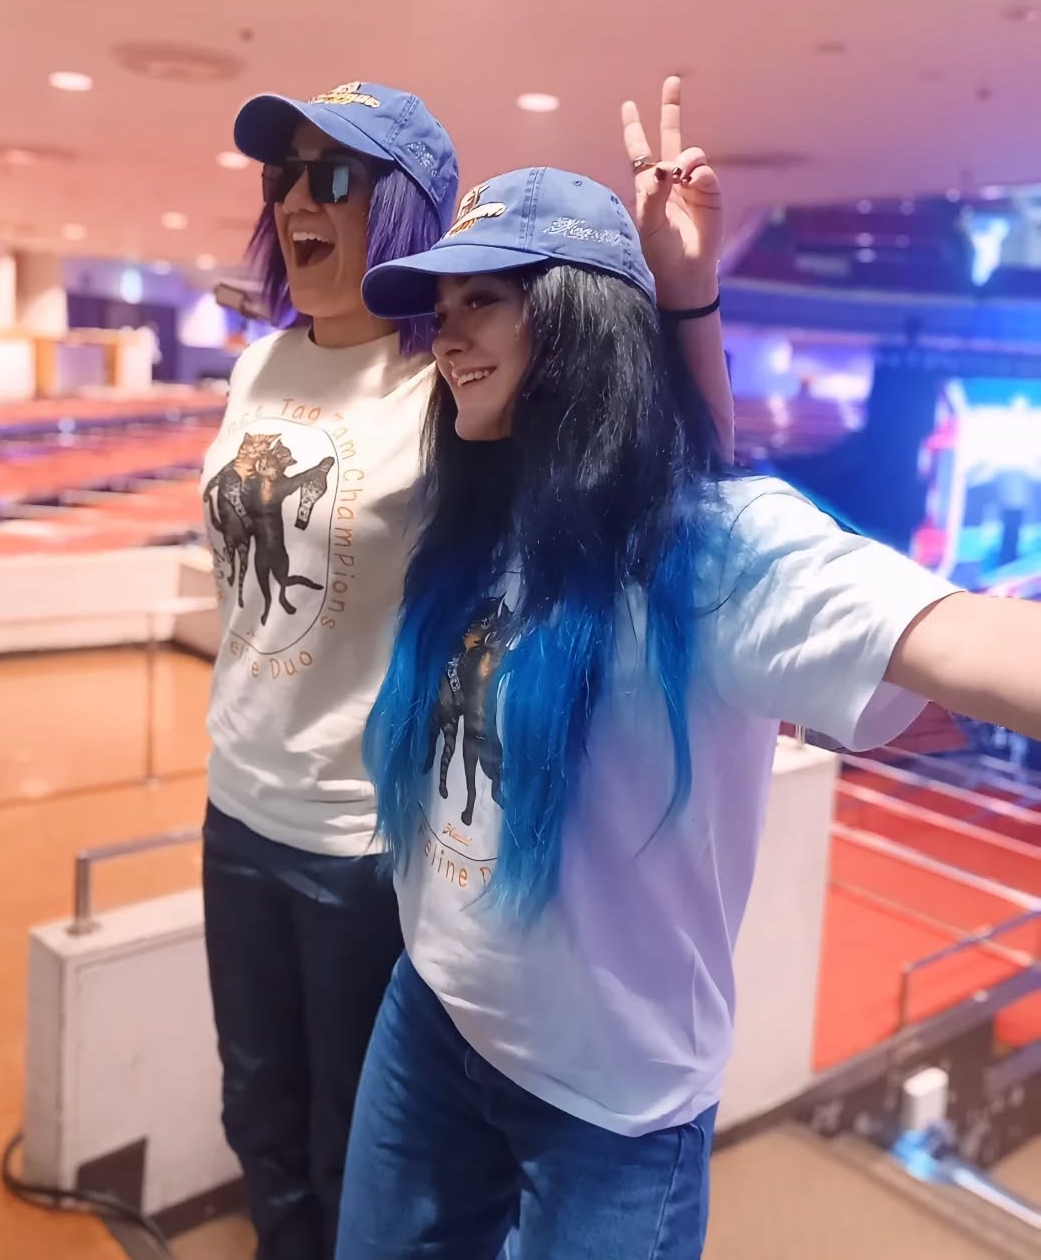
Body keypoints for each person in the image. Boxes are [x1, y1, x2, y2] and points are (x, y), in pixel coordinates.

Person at [336, 164, 1041, 1260]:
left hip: (613, 1112)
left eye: (483, 300)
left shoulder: (720, 550)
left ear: (575, 322)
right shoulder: (477, 507)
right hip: (429, 1018)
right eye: (441, 306)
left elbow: (976, 642)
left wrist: (686, 294)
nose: (447, 336)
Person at [200, 78, 733, 1260]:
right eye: (284, 176)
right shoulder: (258, 369)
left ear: (398, 208)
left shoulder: (444, 381)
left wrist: (686, 298)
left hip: (357, 833)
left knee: (352, 1154)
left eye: (335, 176)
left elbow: (662, 472)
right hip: (236, 802)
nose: (297, 199)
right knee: (256, 1117)